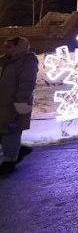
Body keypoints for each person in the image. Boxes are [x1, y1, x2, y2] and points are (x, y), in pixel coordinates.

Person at [1, 36, 39, 176]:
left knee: (10, 132)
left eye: (9, 46)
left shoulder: (27, 62)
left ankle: (9, 163)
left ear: (19, 47)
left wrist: (21, 102)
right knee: (3, 133)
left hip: (14, 104)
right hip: (3, 103)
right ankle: (19, 150)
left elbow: (27, 84)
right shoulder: (5, 61)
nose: (6, 49)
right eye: (5, 46)